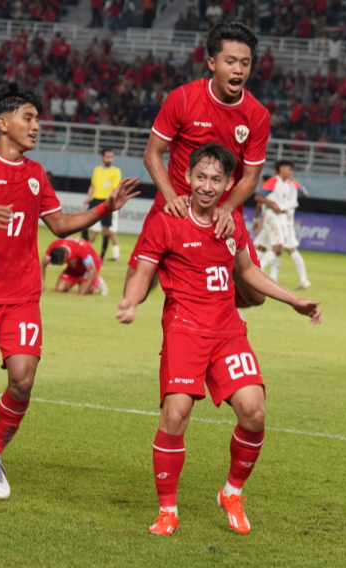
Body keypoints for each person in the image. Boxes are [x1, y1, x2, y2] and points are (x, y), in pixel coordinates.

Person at [0, 82, 140, 499]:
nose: (36, 126)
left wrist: (106, 208)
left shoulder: (35, 173)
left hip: (23, 295)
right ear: (3, 122)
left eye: (36, 118)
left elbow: (60, 225)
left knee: (23, 380)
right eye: (28, 117)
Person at [116, 143, 322, 536]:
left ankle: (232, 492)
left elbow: (248, 272)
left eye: (216, 179)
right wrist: (130, 300)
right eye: (200, 177)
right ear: (188, 178)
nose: (207, 186)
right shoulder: (166, 220)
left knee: (254, 411)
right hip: (184, 331)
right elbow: (143, 270)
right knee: (175, 414)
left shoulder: (231, 223)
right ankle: (168, 510)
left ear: (229, 184)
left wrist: (293, 299)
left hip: (228, 332)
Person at [127, 22, 271, 310]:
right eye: (230, 61)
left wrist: (227, 208)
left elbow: (251, 176)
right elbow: (152, 154)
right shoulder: (182, 99)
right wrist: (171, 197)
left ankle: (205, 293)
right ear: (212, 63)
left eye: (245, 63)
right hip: (175, 200)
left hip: (224, 207)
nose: (238, 70)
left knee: (255, 297)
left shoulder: (257, 115)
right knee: (136, 291)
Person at [253, 160, 311, 289]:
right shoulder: (273, 181)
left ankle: (267, 275)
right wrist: (272, 204)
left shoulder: (290, 184)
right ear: (279, 170)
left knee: (261, 247)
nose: (290, 171)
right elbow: (258, 197)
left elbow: (303, 194)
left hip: (283, 219)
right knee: (277, 248)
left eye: (291, 169)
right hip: (272, 217)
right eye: (287, 168)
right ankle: (256, 273)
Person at [83, 149, 123, 261]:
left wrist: (114, 204)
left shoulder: (116, 171)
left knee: (109, 231)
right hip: (95, 201)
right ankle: (85, 251)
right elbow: (92, 186)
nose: (110, 159)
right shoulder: (96, 170)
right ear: (102, 157)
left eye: (111, 157)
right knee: (86, 226)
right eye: (107, 157)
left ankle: (106, 257)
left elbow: (116, 189)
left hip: (108, 203)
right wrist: (86, 201)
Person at [41, 238, 108, 295]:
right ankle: (81, 281)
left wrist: (80, 294)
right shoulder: (54, 246)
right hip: (74, 266)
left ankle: (97, 280)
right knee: (59, 289)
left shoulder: (80, 248)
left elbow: (92, 271)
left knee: (86, 292)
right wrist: (42, 287)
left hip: (91, 267)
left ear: (65, 256)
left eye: (60, 263)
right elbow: (43, 265)